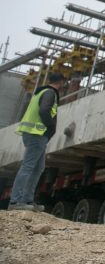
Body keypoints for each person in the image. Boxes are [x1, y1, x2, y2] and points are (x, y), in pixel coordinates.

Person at [8, 72, 65, 211]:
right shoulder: (50, 93)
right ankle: (15, 201)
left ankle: (27, 200)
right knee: (28, 166)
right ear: (61, 82)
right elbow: (44, 110)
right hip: (37, 133)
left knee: (38, 167)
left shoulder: (40, 92)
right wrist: (50, 127)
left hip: (32, 133)